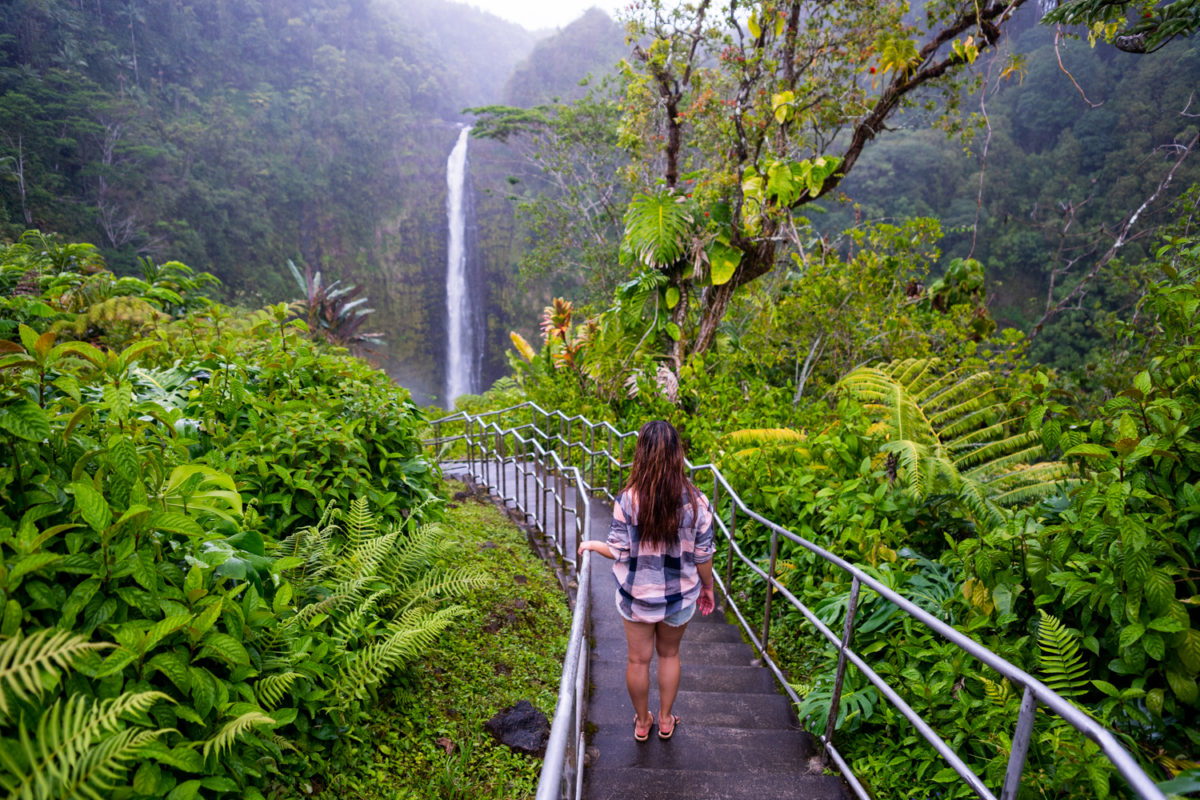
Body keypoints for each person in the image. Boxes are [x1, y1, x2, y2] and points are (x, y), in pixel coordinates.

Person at [578, 420, 716, 742]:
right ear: (678, 454)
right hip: (679, 597)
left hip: (637, 597)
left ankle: (642, 723)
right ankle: (665, 720)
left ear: (641, 454)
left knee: (638, 660)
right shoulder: (697, 502)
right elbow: (703, 555)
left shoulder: (628, 500)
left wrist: (593, 545)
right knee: (669, 655)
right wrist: (708, 587)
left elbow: (618, 550)